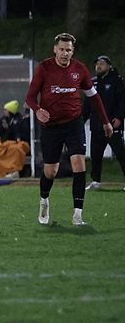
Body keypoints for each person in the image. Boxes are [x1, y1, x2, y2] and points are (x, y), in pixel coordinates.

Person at [25, 33, 112, 227]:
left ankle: (77, 215)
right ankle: (44, 200)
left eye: (69, 50)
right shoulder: (44, 68)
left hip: (74, 124)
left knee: (79, 165)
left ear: (73, 51)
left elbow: (94, 97)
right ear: (55, 50)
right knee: (51, 171)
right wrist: (37, 110)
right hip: (51, 127)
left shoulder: (79, 69)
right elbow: (30, 97)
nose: (65, 53)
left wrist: (105, 122)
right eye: (62, 49)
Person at [83, 55, 125, 191]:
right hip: (96, 126)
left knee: (121, 154)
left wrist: (119, 118)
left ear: (109, 66)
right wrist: (81, 121)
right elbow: (87, 104)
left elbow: (122, 101)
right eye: (97, 64)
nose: (98, 66)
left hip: (112, 125)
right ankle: (96, 181)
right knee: (95, 156)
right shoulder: (92, 82)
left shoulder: (117, 81)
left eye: (101, 63)